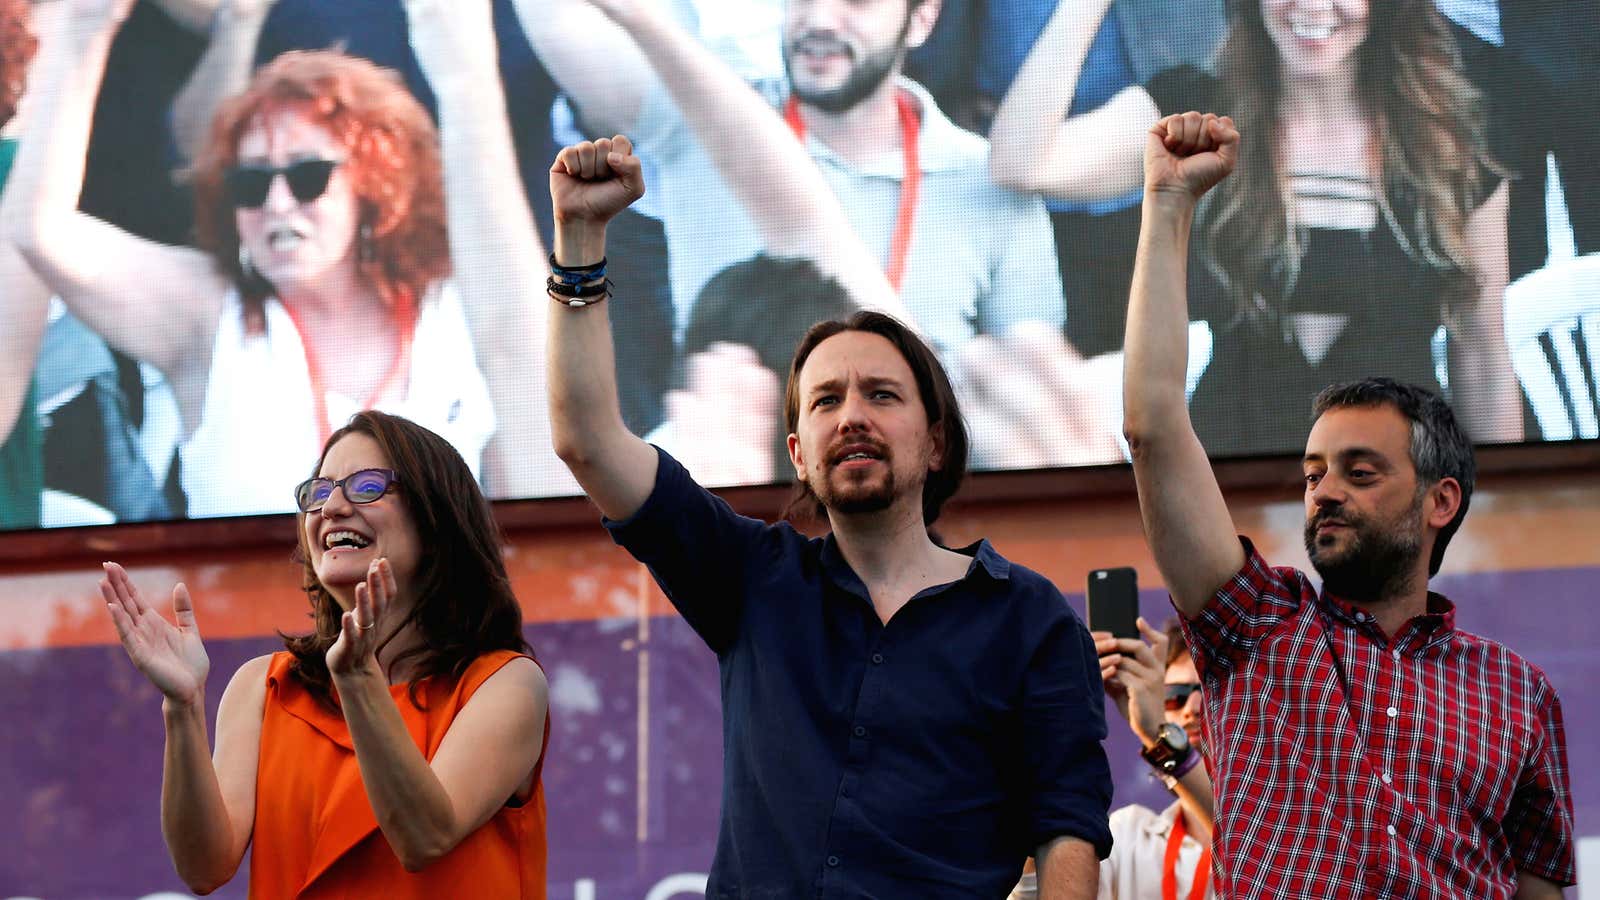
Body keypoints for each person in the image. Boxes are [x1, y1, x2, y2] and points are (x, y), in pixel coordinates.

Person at [546, 137, 1112, 896]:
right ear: (799, 453)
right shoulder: (751, 577)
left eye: (881, 395)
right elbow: (586, 440)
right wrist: (579, 244)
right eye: (825, 401)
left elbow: (1067, 826)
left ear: (937, 440)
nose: (851, 416)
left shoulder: (1029, 617)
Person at [1121, 110, 1575, 897]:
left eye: (1359, 473)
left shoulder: (1518, 693)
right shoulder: (1253, 625)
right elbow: (1153, 426)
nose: (1324, 491)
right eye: (1312, 473)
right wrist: (1167, 203)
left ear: (1440, 501)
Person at [7, 0, 567, 521]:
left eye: (307, 177)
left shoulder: (456, 312)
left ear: (373, 186)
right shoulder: (207, 316)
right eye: (251, 184)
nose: (278, 203)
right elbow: (37, 232)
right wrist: (84, 30)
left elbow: (546, 445)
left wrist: (465, 77)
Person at [992, 0, 1520, 455]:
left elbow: (1481, 357)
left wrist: (1509, 528)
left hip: (1398, 493)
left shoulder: (1451, 138)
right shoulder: (1194, 120)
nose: (1312, 7)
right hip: (1233, 492)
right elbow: (1023, 163)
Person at [99, 410, 550, 894]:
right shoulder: (265, 687)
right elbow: (205, 867)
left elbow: (424, 836)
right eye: (319, 491)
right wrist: (183, 707)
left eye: (368, 485)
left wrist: (358, 680)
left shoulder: (504, 685)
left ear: (436, 519)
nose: (331, 507)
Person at [517, 0, 1064, 357]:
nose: (821, 19)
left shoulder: (985, 180)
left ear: (921, 20)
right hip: (732, 511)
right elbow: (562, 24)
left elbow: (1030, 388)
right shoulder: (705, 122)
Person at [1015, 619, 1218, 900]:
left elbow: (1252, 842)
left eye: (1208, 692)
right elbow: (1032, 893)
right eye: (1175, 696)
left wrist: (1158, 736)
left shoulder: (1282, 824)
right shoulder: (1126, 835)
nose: (1192, 710)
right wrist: (1060, 718)